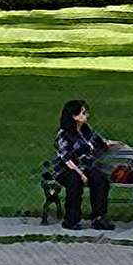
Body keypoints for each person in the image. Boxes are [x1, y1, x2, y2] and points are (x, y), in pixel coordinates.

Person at [52, 99, 124, 230]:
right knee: (74, 181)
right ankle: (71, 220)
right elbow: (67, 159)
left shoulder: (86, 130)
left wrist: (117, 144)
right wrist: (81, 175)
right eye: (83, 113)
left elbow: (100, 142)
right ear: (74, 116)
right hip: (66, 169)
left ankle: (99, 218)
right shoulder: (64, 134)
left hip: (85, 166)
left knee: (100, 179)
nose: (87, 115)